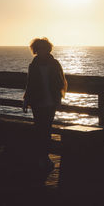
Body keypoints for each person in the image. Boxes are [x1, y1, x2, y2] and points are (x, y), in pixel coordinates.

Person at [23, 37, 67, 171]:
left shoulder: (54, 63)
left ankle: (44, 157)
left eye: (44, 48)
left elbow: (60, 82)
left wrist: (58, 99)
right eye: (39, 48)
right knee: (39, 129)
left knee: (46, 129)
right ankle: (41, 157)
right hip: (37, 102)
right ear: (36, 50)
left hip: (50, 102)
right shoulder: (33, 65)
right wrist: (26, 100)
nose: (41, 51)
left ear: (48, 49)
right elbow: (29, 84)